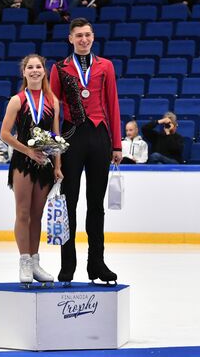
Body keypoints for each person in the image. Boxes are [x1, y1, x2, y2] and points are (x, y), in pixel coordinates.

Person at [49, 18, 122, 285]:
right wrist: (55, 147)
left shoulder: (106, 66)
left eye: (87, 35)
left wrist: (116, 143)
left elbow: (112, 103)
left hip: (100, 135)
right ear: (70, 39)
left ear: (93, 37)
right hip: (71, 136)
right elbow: (53, 110)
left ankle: (97, 263)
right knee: (69, 203)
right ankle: (67, 265)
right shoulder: (59, 68)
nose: (83, 39)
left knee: (96, 205)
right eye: (78, 35)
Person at [0, 54, 63, 286]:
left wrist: (57, 166)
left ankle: (35, 262)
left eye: (38, 67)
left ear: (44, 71)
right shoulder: (17, 100)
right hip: (23, 163)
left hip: (45, 165)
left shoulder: (52, 101)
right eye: (30, 67)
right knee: (23, 214)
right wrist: (27, 151)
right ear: (24, 72)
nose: (35, 70)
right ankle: (24, 261)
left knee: (37, 216)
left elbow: (55, 136)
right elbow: (4, 134)